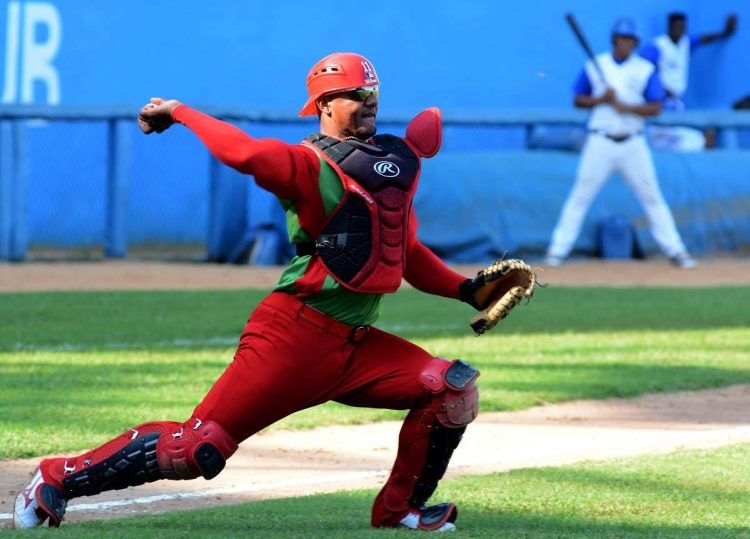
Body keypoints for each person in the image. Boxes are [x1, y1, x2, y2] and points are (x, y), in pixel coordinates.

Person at [13, 52, 488, 532]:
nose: (370, 104)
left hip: (355, 345)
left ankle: (398, 511)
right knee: (196, 449)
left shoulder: (390, 170)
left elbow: (405, 252)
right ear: (324, 104)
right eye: (357, 95)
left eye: (374, 95)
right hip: (293, 337)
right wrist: (180, 111)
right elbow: (242, 152)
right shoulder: (308, 164)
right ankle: (57, 476)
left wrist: (468, 290)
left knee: (450, 390)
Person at [544, 18, 697, 269]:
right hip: (600, 140)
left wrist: (625, 106)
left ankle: (676, 251)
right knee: (579, 197)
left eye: (631, 40)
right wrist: (601, 99)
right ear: (615, 40)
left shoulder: (645, 68)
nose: (626, 43)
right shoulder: (596, 65)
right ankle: (557, 251)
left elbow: (655, 107)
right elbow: (578, 100)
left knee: (652, 197)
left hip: (633, 143)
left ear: (636, 43)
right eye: (622, 39)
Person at [641, 13, 738, 151]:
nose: (679, 30)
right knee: (662, 135)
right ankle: (702, 140)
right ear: (669, 27)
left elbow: (704, 39)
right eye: (676, 26)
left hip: (676, 102)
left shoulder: (685, 42)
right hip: (659, 101)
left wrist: (725, 32)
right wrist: (660, 89)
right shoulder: (658, 45)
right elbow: (642, 68)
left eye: (682, 27)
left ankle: (703, 140)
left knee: (674, 134)